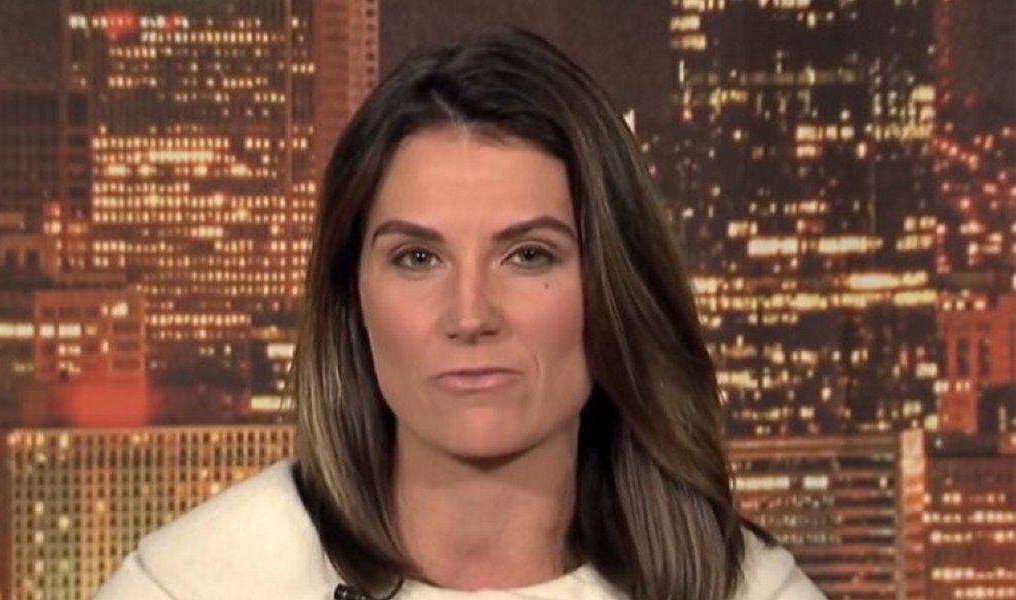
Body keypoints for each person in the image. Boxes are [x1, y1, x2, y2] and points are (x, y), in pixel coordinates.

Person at [95, 28, 825, 600]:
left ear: (613, 287)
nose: (470, 315)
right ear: (353, 300)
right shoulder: (196, 585)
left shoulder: (749, 590)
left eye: (529, 255)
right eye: (418, 258)